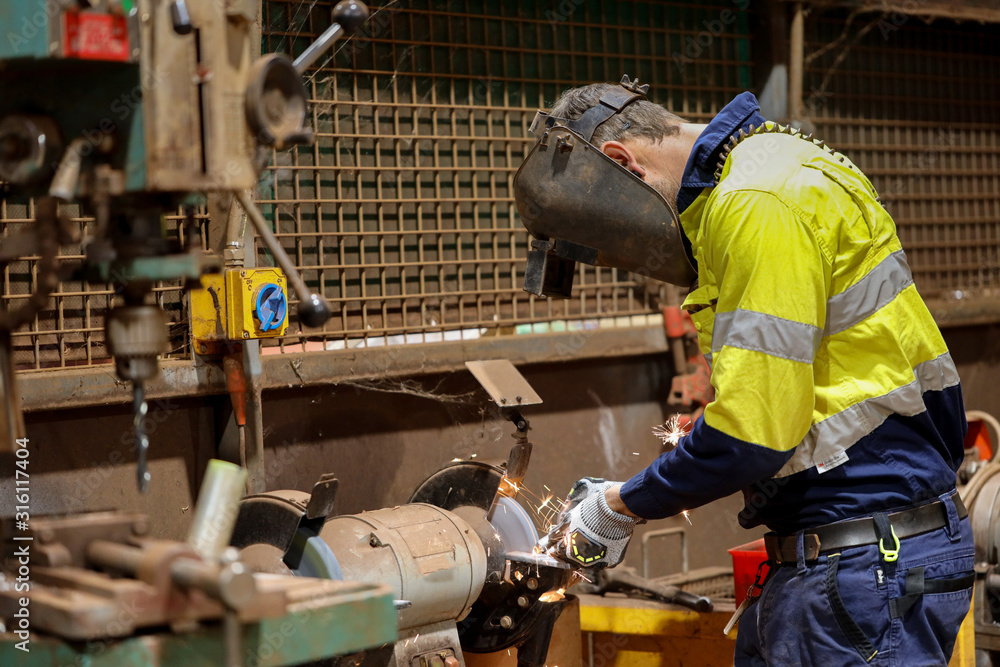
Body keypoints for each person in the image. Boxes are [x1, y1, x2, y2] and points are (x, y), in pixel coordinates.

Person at [516, 79, 973, 666]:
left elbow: (753, 433)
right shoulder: (781, 159)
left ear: (620, 161)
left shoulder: (755, 202)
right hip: (879, 550)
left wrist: (621, 504)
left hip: (859, 568)